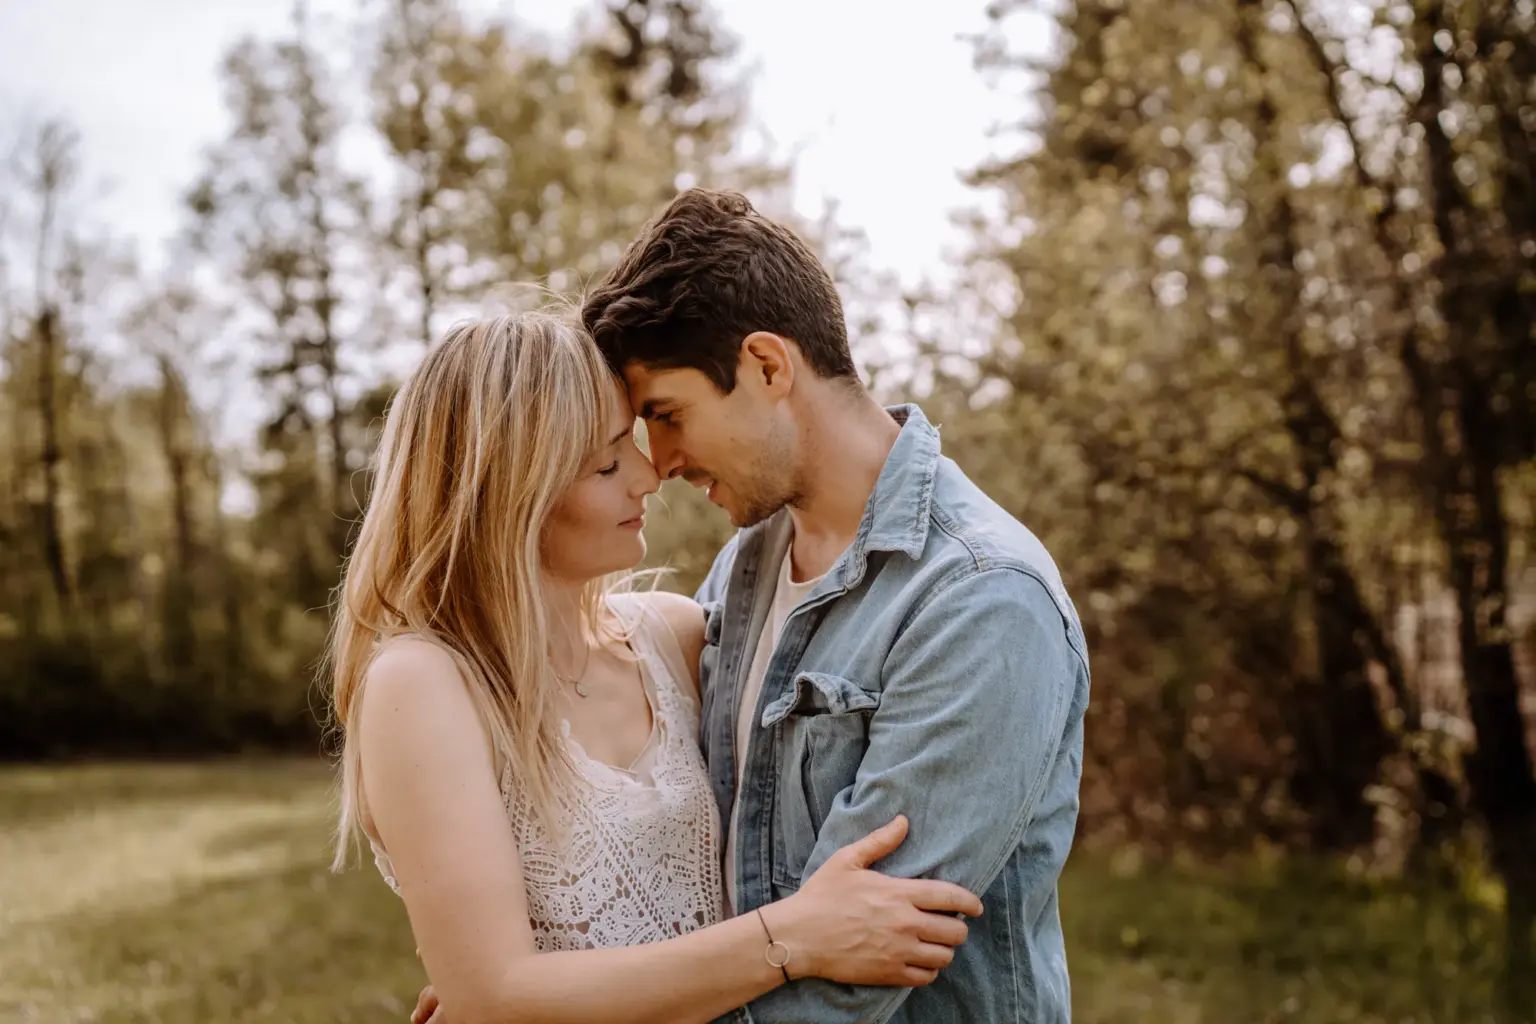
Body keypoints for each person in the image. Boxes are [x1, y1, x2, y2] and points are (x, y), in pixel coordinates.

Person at [327, 311, 983, 1024]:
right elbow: (496, 995)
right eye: (607, 463)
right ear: (508, 496)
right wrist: (792, 937)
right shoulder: (423, 684)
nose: (648, 476)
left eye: (632, 443)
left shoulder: (672, 637)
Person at [576, 188, 1092, 1023]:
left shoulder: (982, 600)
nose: (659, 461)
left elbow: (842, 989)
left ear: (769, 367)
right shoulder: (748, 566)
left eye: (668, 416)